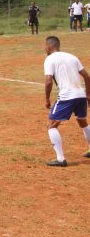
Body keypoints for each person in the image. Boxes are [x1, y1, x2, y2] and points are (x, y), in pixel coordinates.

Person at [42, 36, 90, 167]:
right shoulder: (72, 57)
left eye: (45, 46)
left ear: (49, 46)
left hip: (67, 96)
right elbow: (86, 75)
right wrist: (88, 94)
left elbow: (48, 80)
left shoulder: (50, 59)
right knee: (82, 121)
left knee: (51, 125)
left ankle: (60, 159)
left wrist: (47, 99)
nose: (44, 48)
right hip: (80, 95)